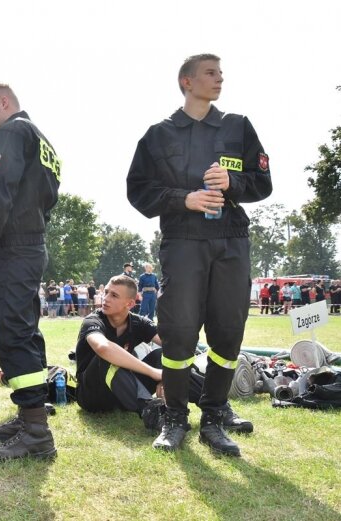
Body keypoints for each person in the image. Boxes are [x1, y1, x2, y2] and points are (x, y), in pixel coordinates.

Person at [127, 54, 272, 456]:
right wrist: (184, 198)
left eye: (221, 73)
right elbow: (138, 190)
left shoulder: (237, 127)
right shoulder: (159, 135)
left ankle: (213, 416)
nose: (220, 78)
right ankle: (174, 417)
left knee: (228, 329)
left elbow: (264, 183)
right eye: (211, 72)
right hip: (183, 242)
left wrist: (234, 181)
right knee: (180, 333)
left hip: (231, 240)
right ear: (186, 81)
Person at [0, 83, 61, 462]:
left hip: (13, 245)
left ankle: (36, 431)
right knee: (24, 329)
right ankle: (29, 418)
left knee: (11, 333)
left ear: (4, 102)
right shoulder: (41, 140)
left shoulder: (10, 132)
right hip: (32, 240)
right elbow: (49, 195)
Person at [74, 276, 252, 434]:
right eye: (106, 292)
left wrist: (167, 374)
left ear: (129, 304)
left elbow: (174, 346)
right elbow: (103, 348)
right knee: (106, 358)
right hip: (93, 396)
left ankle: (218, 410)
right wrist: (154, 373)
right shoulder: (93, 320)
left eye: (113, 295)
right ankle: (154, 412)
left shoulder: (138, 322)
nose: (105, 299)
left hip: (123, 393)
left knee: (165, 356)